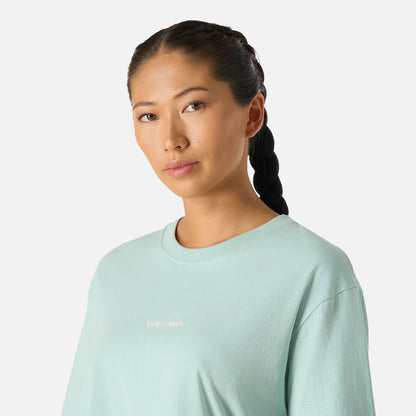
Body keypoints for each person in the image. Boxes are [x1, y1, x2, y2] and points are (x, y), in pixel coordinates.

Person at [61, 20, 376, 415]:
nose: (171, 140)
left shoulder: (313, 271)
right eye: (148, 116)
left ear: (252, 115)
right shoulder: (116, 272)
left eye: (193, 106)